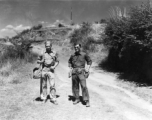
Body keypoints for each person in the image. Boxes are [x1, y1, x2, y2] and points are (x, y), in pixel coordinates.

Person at [37, 40, 59, 105]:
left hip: (51, 71)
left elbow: (57, 61)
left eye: (49, 46)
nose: (48, 47)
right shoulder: (42, 52)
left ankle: (53, 99)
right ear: (45, 46)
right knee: (44, 85)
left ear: (51, 46)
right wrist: (41, 61)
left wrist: (54, 66)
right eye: (46, 46)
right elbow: (38, 61)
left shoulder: (54, 53)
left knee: (52, 85)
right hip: (44, 70)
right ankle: (44, 98)